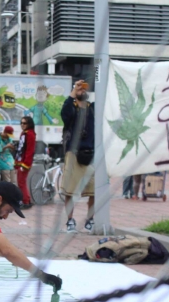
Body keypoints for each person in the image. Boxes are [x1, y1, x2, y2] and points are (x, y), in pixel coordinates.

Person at [60, 79, 96, 232]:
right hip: (73, 153)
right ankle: (70, 221)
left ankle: (90, 219)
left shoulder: (93, 108)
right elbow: (65, 114)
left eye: (84, 89)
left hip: (92, 153)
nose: (82, 90)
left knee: (94, 190)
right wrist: (74, 90)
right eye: (79, 89)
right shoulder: (71, 107)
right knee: (69, 189)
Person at [14, 116, 35, 209]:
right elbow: (21, 149)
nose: (22, 125)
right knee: (21, 182)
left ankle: (25, 202)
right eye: (21, 123)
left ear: (29, 124)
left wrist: (25, 164)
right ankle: (26, 200)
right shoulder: (24, 133)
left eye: (24, 123)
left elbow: (29, 151)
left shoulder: (30, 134)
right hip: (21, 161)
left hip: (24, 163)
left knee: (21, 183)